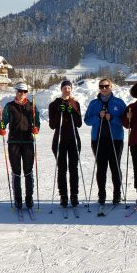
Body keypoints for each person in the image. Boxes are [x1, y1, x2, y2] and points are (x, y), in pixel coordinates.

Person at [84, 78, 126, 209]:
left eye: (106, 86)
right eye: (101, 86)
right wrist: (98, 116)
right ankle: (101, 194)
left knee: (115, 166)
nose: (104, 89)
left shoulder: (119, 102)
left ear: (111, 86)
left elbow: (125, 122)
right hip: (98, 140)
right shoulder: (94, 103)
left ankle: (117, 194)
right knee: (101, 168)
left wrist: (112, 118)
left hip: (115, 139)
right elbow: (87, 120)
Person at [0, 82, 40, 210]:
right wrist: (1, 128)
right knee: (16, 172)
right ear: (16, 92)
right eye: (20, 91)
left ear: (27, 93)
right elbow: (3, 120)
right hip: (13, 142)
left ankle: (29, 198)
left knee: (28, 171)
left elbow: (37, 121)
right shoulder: (9, 106)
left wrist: (36, 128)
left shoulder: (31, 106)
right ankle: (18, 199)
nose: (22, 94)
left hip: (27, 142)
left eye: (24, 91)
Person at [48, 80, 83, 208]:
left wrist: (72, 111)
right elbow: (52, 125)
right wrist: (59, 112)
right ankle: (63, 196)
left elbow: (79, 123)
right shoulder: (54, 104)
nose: (67, 90)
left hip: (73, 139)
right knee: (62, 169)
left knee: (74, 168)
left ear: (71, 89)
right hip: (59, 140)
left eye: (69, 87)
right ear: (61, 89)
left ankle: (74, 195)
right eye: (65, 87)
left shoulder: (75, 103)